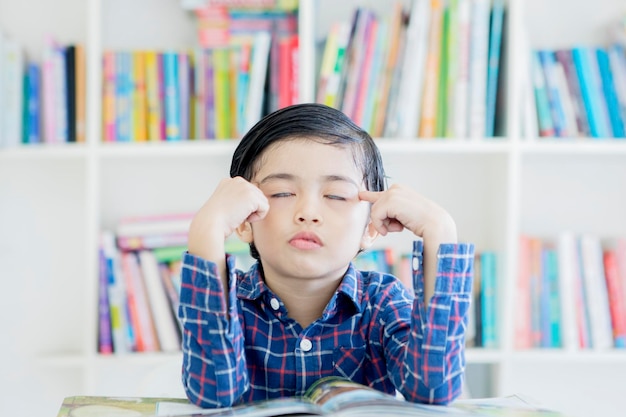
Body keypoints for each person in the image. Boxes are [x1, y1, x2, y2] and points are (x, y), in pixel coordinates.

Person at [178, 103, 474, 409]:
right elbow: (212, 393)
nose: (308, 213)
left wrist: (440, 230)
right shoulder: (231, 305)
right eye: (281, 193)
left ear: (370, 226)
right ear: (244, 220)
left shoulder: (383, 302)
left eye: (336, 195)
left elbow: (433, 389)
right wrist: (207, 229)